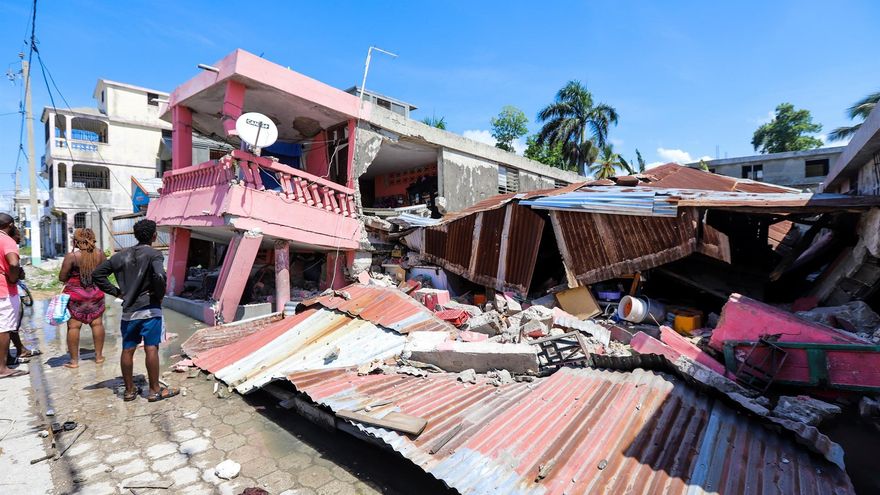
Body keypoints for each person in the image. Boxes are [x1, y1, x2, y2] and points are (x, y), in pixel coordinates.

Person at [92, 219, 178, 402]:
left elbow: (97, 275)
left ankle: (129, 391)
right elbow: (160, 275)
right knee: (151, 348)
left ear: (135, 235)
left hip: (129, 311)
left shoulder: (120, 256)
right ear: (154, 236)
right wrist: (160, 294)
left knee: (128, 349)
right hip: (149, 309)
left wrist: (118, 293)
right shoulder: (154, 254)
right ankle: (154, 390)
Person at [58, 228, 107, 368]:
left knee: (73, 326)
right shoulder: (100, 254)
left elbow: (62, 277)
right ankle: (98, 357)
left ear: (76, 241)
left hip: (76, 295)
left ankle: (74, 361)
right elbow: (105, 273)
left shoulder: (72, 257)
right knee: (97, 324)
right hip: (95, 293)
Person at [0, 213, 26, 378]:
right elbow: (14, 263)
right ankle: (2, 368)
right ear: (10, 224)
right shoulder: (6, 240)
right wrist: (13, 277)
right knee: (4, 328)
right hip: (4, 290)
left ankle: (7, 359)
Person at [8, 225, 39, 363]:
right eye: (18, 235)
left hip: (11, 289)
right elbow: (14, 267)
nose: (20, 237)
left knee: (12, 324)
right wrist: (14, 278)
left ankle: (20, 349)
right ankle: (9, 356)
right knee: (11, 324)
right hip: (9, 289)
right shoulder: (9, 246)